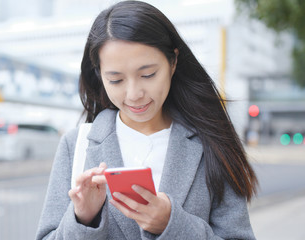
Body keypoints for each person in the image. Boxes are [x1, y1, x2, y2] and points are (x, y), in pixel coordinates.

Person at [36, 1, 258, 239]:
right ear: (100, 74)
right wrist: (82, 219)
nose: (134, 94)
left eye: (148, 75)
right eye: (116, 80)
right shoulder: (76, 145)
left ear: (173, 62)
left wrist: (172, 225)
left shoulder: (210, 142)